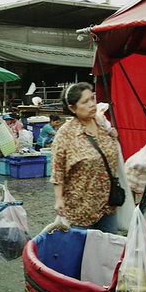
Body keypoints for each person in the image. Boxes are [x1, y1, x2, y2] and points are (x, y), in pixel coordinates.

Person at [50, 82, 118, 234]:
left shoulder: (103, 126)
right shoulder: (66, 133)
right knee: (82, 253)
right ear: (72, 108)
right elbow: (57, 169)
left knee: (110, 250)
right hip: (80, 207)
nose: (92, 104)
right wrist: (58, 198)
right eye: (85, 102)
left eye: (92, 99)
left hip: (107, 205)